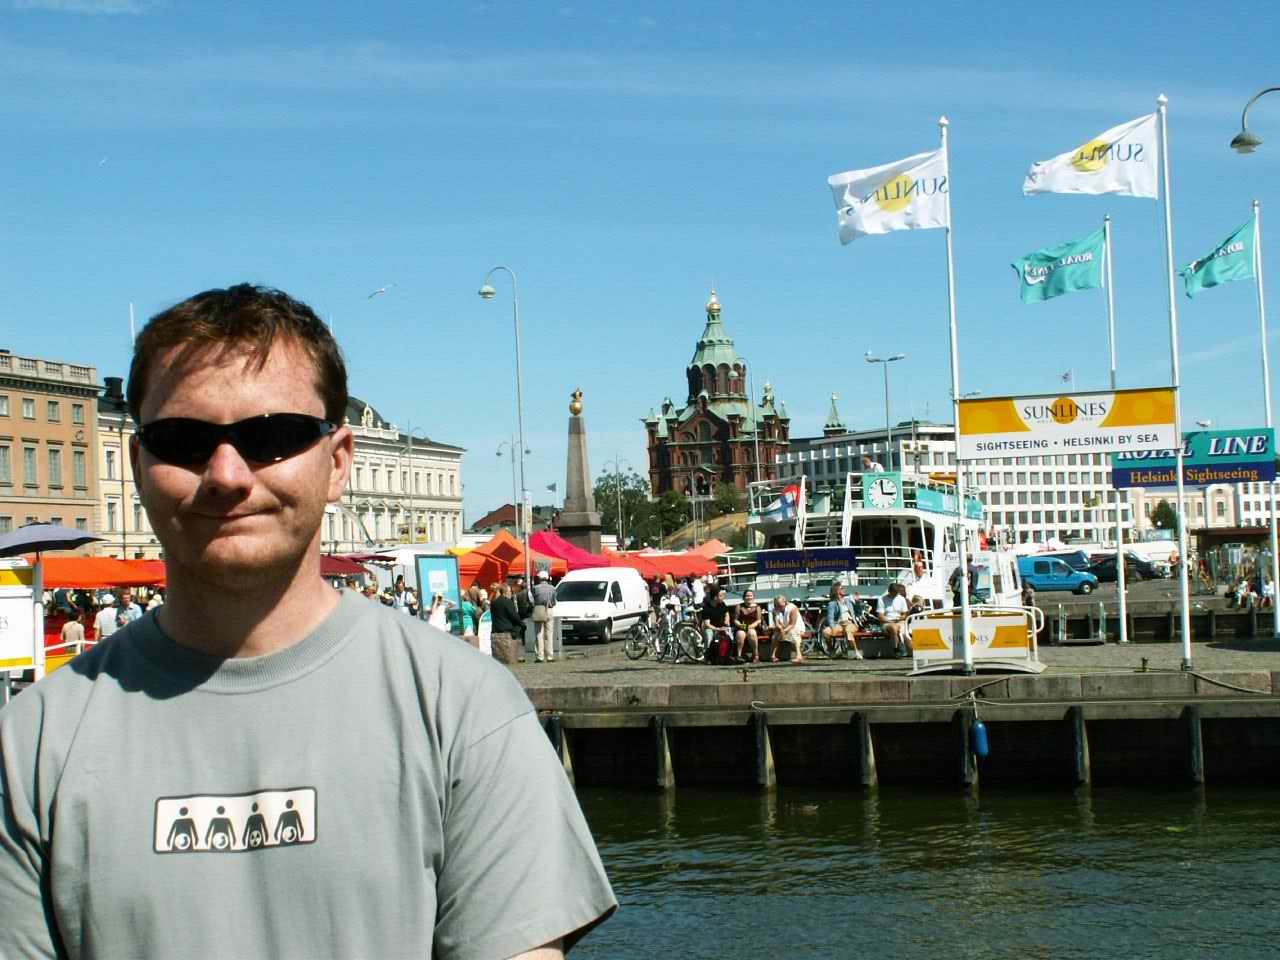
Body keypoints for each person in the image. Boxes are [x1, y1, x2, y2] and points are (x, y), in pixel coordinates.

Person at [0, 283, 614, 959]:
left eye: (272, 437)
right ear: (140, 462)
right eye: (183, 440)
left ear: (337, 462)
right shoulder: (31, 746)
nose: (227, 475)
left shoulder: (467, 712)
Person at [822, 581, 864, 660]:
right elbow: (830, 618)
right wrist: (832, 627)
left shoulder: (848, 600)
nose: (844, 589)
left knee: (848, 630)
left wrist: (858, 602)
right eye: (842, 588)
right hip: (839, 624)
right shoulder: (832, 604)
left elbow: (859, 611)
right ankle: (831, 651)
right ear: (837, 591)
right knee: (826, 632)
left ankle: (856, 652)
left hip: (850, 623)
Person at [489, 582, 524, 664]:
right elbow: (514, 616)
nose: (511, 593)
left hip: (496, 629)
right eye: (510, 591)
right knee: (519, 628)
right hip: (507, 629)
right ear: (506, 592)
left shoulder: (494, 602)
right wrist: (521, 623)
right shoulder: (507, 602)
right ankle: (519, 654)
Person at [874, 583, 911, 658]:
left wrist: (900, 618)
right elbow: (880, 616)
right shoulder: (882, 599)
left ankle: (911, 651)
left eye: (896, 593)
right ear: (889, 591)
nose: (895, 595)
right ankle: (896, 649)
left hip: (899, 621)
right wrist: (890, 621)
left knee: (905, 634)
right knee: (894, 627)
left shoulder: (901, 599)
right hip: (886, 622)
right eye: (894, 593)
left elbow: (904, 614)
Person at [701, 584, 734, 663]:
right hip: (711, 628)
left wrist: (727, 620)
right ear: (715, 597)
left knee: (730, 636)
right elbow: (707, 624)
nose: (723, 597)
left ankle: (728, 655)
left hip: (721, 626)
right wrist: (718, 629)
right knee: (709, 635)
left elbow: (726, 613)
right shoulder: (706, 608)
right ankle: (708, 656)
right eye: (721, 596)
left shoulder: (722, 604)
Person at [770, 594, 806, 664]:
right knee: (775, 635)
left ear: (785, 603)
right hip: (784, 627)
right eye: (777, 605)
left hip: (796, 627)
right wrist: (780, 628)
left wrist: (783, 631)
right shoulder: (775, 610)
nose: (779, 607)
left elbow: (792, 624)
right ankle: (773, 655)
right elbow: (777, 623)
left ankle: (799, 656)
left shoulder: (793, 608)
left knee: (793, 633)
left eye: (780, 606)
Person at [531, 570, 558, 663]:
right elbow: (554, 601)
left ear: (539, 578)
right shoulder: (552, 588)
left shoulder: (535, 588)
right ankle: (550, 656)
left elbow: (532, 599)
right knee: (549, 634)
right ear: (547, 578)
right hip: (549, 609)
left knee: (539, 633)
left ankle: (540, 656)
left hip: (539, 609)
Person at [735, 589, 763, 663]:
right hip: (742, 627)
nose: (749, 597)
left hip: (753, 627)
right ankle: (739, 656)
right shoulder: (739, 606)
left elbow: (759, 620)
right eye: (747, 596)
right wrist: (740, 625)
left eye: (750, 596)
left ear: (753, 597)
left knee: (751, 633)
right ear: (744, 597)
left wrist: (752, 625)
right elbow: (735, 620)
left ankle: (756, 655)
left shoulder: (757, 607)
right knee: (740, 634)